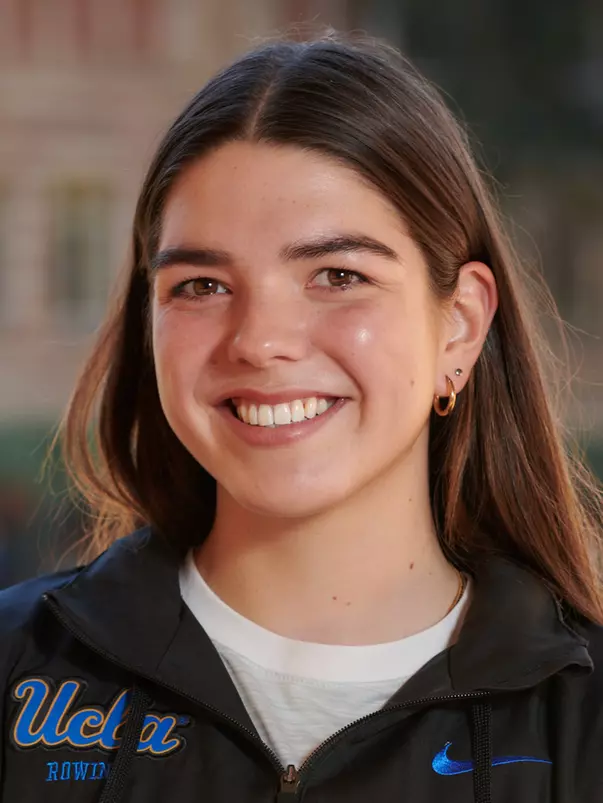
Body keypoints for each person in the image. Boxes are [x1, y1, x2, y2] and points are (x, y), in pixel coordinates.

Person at [1, 31, 602, 803]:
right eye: (201, 285)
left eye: (337, 275)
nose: (258, 341)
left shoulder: (579, 722)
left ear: (458, 324)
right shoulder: (20, 676)